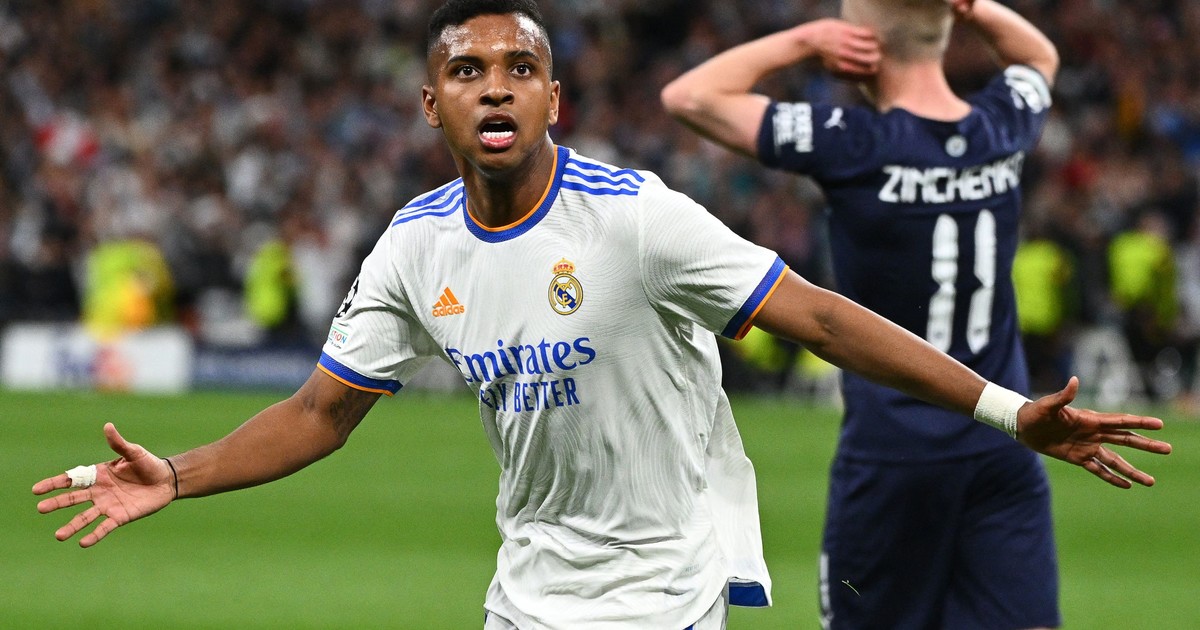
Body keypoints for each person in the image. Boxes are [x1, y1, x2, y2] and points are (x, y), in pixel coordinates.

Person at [35, 2, 1171, 629]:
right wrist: (177, 475)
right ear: (430, 102)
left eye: (518, 67)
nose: (494, 84)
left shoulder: (636, 220)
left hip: (664, 593)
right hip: (527, 594)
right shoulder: (413, 246)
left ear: (552, 99)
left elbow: (821, 319)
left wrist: (1008, 411)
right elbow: (319, 413)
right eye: (467, 70)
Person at [662, 0, 1079, 627]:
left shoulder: (853, 141)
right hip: (1003, 441)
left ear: (856, 45)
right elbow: (1038, 54)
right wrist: (970, 8)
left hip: (893, 453)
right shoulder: (1001, 126)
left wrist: (805, 40)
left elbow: (690, 97)